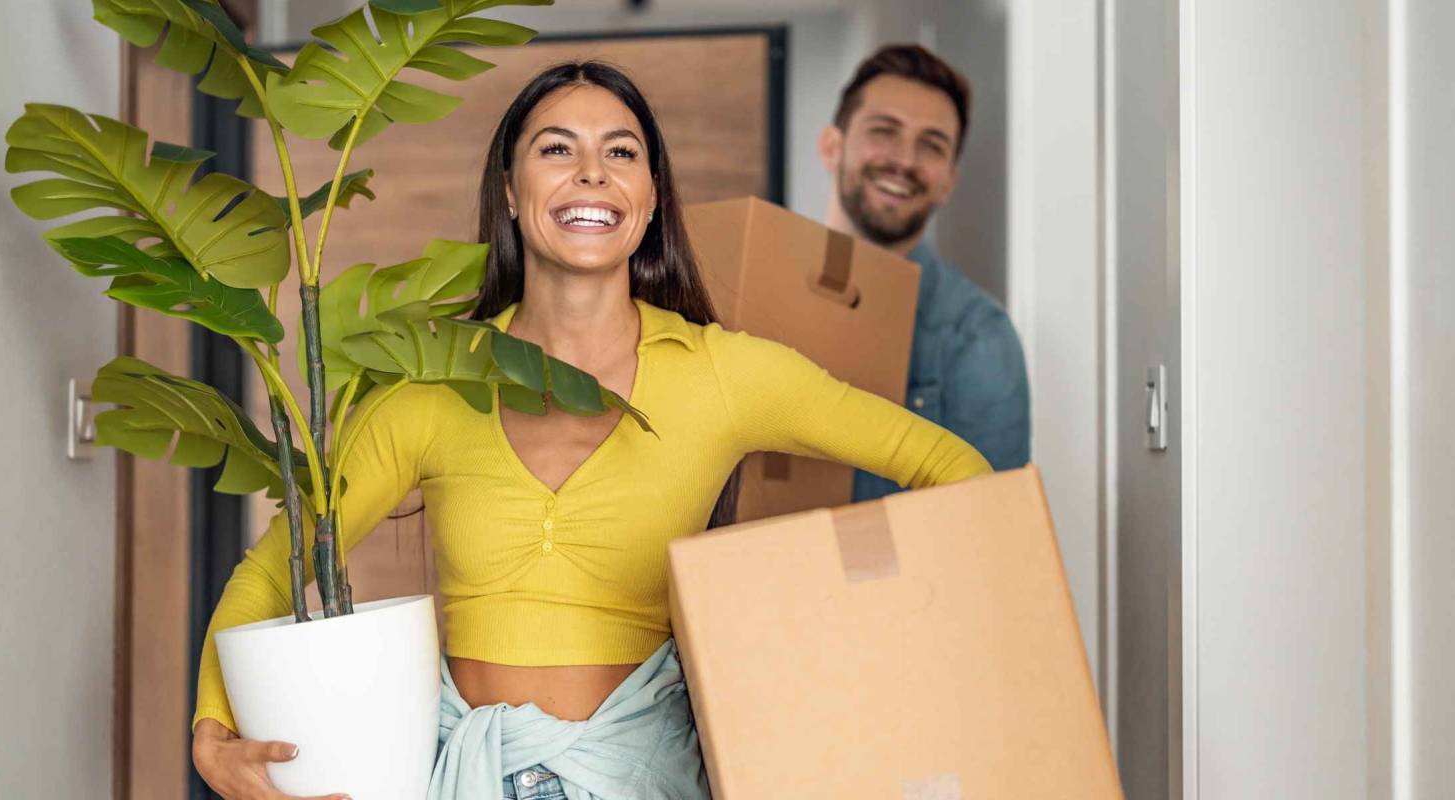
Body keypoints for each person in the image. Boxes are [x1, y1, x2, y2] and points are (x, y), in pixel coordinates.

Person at [190, 61, 991, 800]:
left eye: (621, 153)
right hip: (462, 775)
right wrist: (212, 736)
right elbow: (272, 566)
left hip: (644, 777)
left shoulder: (725, 374)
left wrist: (878, 652)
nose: (590, 173)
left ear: (648, 198)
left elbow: (949, 466)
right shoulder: (433, 382)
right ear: (509, 189)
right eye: (556, 149)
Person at [817, 44, 1032, 502]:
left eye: (931, 145)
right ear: (831, 147)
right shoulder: (752, 293)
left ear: (949, 180)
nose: (905, 161)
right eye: (884, 131)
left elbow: (990, 526)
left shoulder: (977, 337)